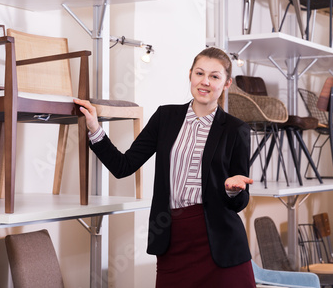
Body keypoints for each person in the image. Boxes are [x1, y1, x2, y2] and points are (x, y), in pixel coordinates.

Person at [74, 47, 255, 287]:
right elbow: (124, 166)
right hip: (173, 237)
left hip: (220, 241)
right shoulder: (165, 117)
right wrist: (95, 129)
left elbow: (239, 203)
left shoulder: (236, 129)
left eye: (214, 76)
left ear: (226, 83)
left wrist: (233, 191)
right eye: (200, 73)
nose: (205, 82)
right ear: (190, 74)